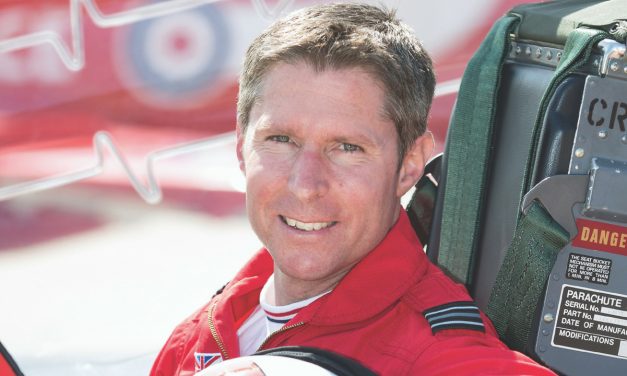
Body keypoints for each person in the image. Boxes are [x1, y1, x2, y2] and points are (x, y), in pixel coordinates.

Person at [151, 3, 556, 375]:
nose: (306, 185)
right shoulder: (201, 334)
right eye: (280, 140)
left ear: (409, 166)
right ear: (241, 147)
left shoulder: (440, 356)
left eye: (347, 148)